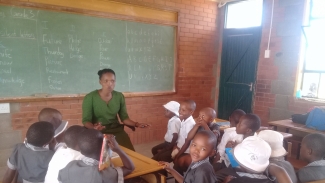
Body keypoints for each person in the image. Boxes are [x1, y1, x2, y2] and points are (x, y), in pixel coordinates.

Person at [82, 68, 150, 150]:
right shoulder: (90, 97)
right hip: (98, 132)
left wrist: (137, 124)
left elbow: (124, 118)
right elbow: (86, 121)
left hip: (115, 130)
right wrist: (94, 128)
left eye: (112, 81)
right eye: (106, 81)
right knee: (103, 155)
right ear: (100, 82)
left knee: (129, 153)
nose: (109, 84)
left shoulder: (119, 96)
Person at [58, 129, 135, 183]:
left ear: (80, 150)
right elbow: (129, 168)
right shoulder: (106, 173)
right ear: (104, 146)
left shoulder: (70, 165)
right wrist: (118, 149)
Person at [174, 107, 220, 174]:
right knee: (178, 163)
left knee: (185, 161)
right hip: (197, 152)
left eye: (203, 116)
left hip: (207, 155)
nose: (200, 118)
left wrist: (205, 125)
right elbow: (189, 137)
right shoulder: (199, 126)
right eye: (199, 115)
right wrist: (196, 126)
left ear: (211, 119)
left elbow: (213, 138)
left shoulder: (215, 126)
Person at [170, 100, 196, 175]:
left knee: (176, 167)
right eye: (180, 109)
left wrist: (178, 155)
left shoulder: (190, 124)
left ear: (191, 112)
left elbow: (187, 143)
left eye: (183, 110)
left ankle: (181, 178)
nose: (180, 112)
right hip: (180, 147)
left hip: (186, 151)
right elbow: (180, 137)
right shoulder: (184, 120)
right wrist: (175, 146)